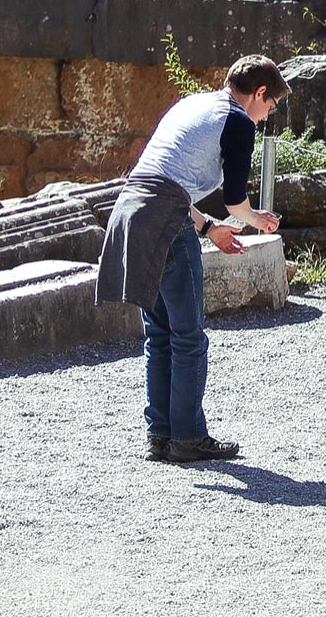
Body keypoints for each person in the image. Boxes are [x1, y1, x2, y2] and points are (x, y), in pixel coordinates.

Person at [95, 56, 285, 463]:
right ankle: (189, 437)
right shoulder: (237, 121)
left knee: (161, 333)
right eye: (269, 107)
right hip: (164, 218)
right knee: (188, 336)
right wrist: (258, 219)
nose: (266, 118)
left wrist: (208, 229)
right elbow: (236, 201)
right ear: (260, 93)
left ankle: (160, 434)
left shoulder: (193, 105)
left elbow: (165, 178)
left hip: (132, 210)